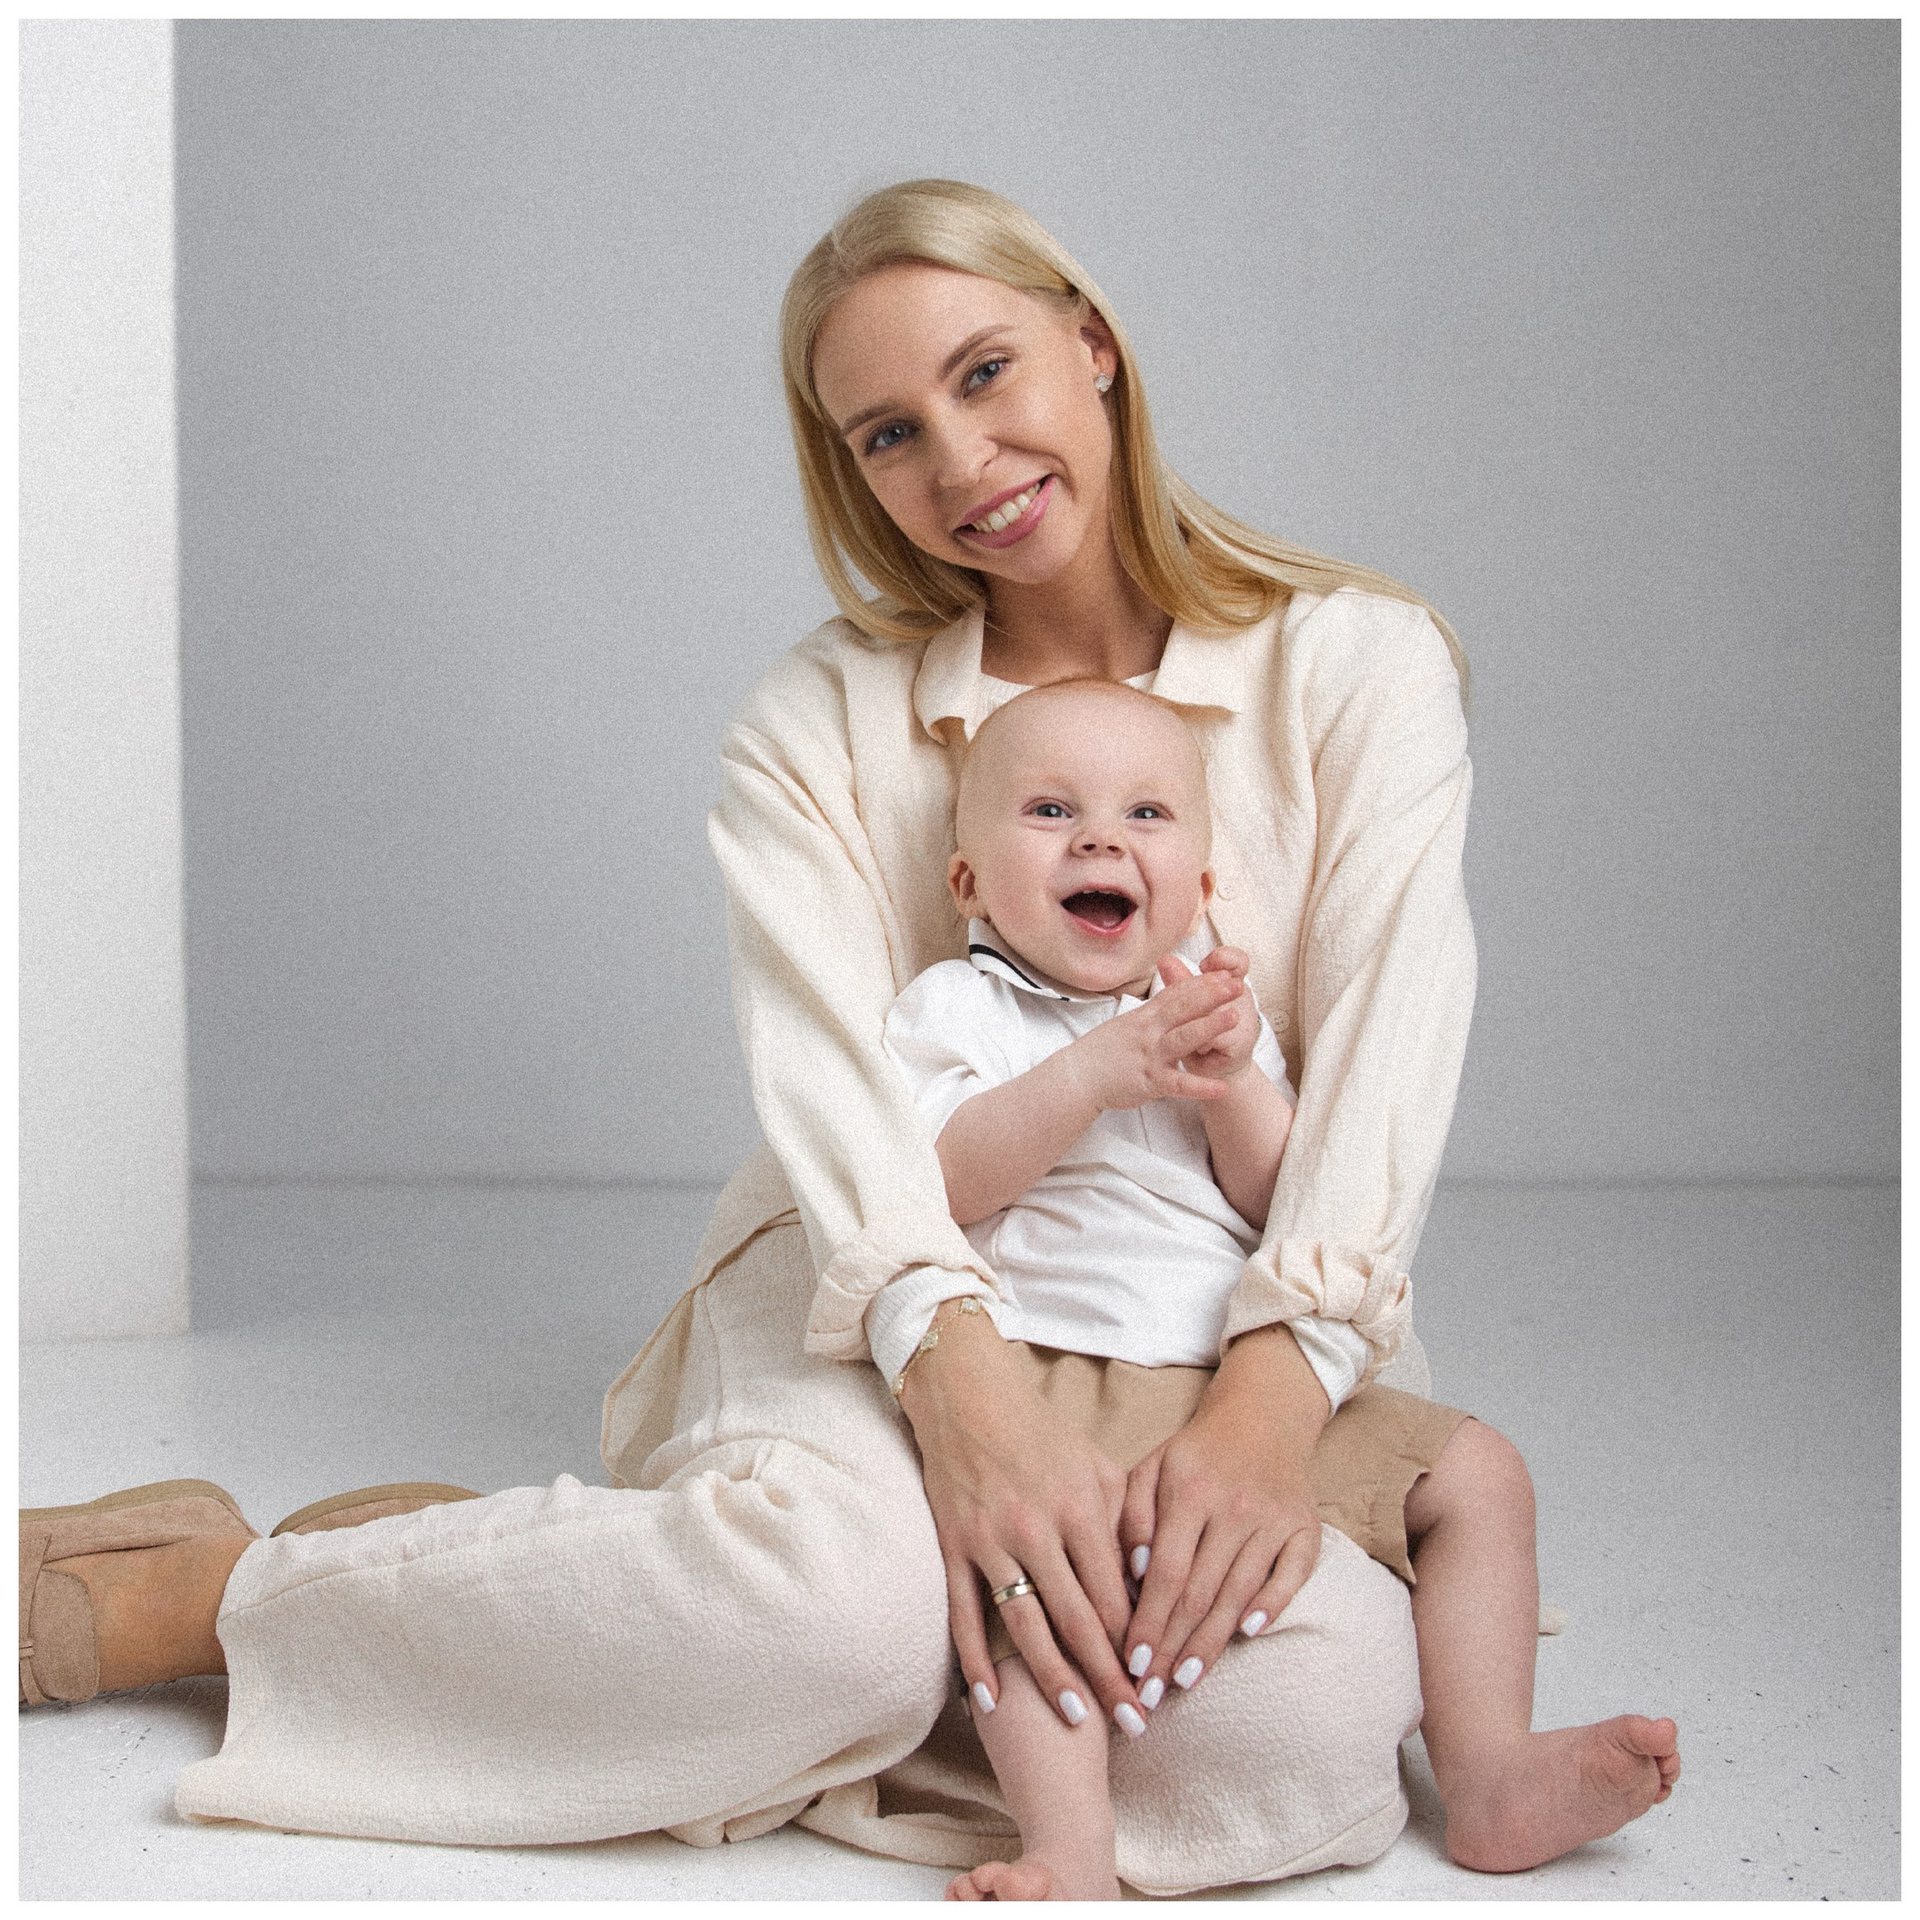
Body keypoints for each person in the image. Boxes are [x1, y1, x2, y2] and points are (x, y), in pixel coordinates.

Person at [16, 178, 1650, 1893]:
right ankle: (209, 1592)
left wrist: (1272, 1394)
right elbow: (847, 1114)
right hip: (885, 1267)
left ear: (1095, 347)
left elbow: (1388, 1054)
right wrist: (969, 1404)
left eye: (986, 372)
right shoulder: (813, 722)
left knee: (1299, 1740)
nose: (959, 459)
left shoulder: (1364, 668)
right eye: (888, 433)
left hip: (1212, 1315)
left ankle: (616, 1624)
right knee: (841, 1621)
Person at [880, 678, 1680, 1897]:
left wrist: (1238, 1079)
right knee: (1038, 1581)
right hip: (1059, 1373)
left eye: (1147, 815)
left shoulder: (1213, 1020)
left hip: (1237, 1389)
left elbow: (1284, 1204)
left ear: (1200, 889)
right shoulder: (959, 1010)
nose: (1100, 841)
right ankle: (1070, 1848)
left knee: (1480, 1477)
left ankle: (1488, 1771)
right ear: (968, 884)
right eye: (1051, 811)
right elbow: (941, 1181)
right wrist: (1092, 1073)